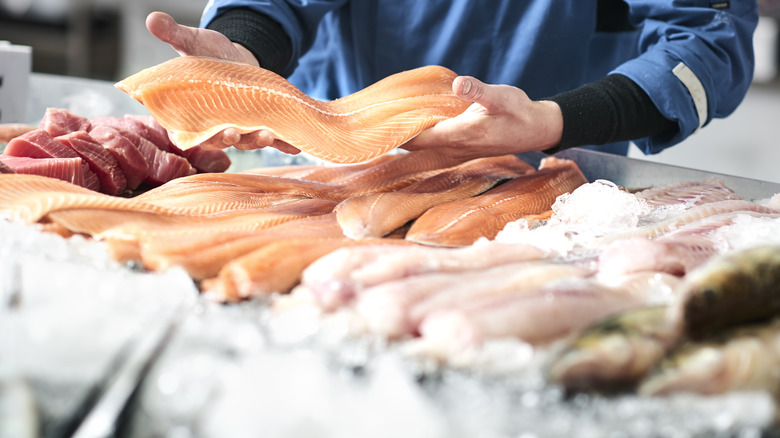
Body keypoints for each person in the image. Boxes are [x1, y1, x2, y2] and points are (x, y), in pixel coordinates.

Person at [145, 1, 758, 161]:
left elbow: (707, 40)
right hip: (336, 174)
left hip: (553, 191)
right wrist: (243, 54)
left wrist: (553, 121)